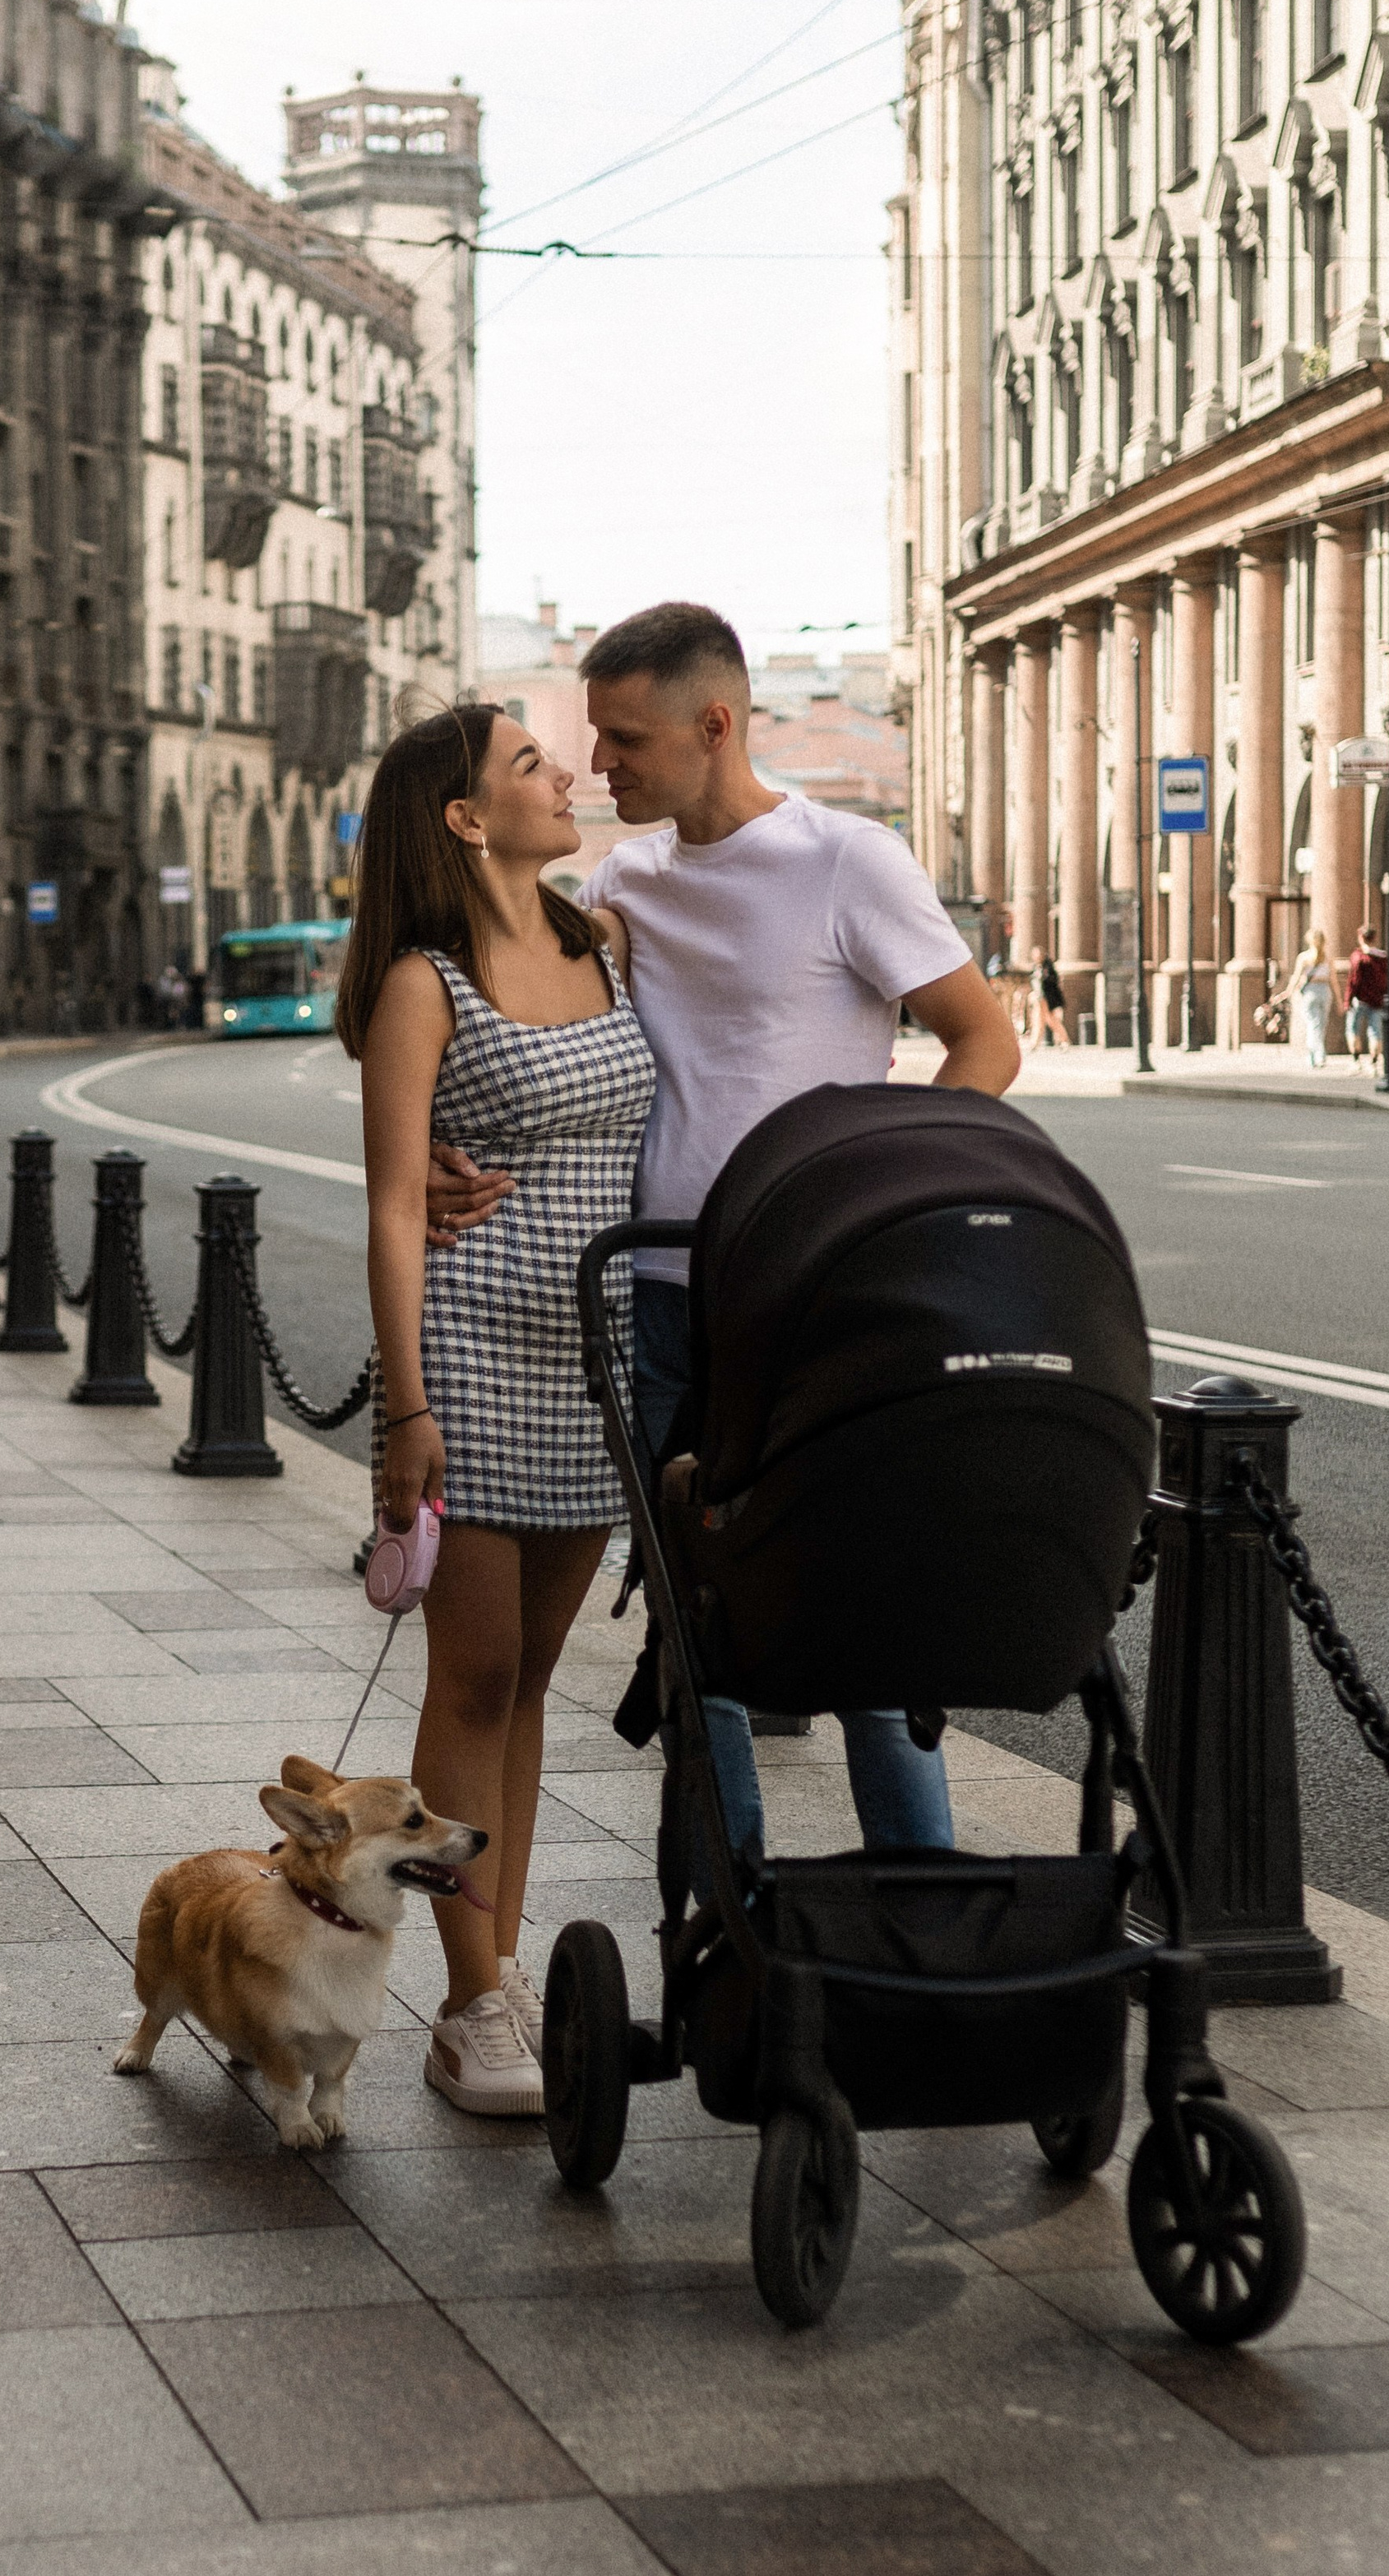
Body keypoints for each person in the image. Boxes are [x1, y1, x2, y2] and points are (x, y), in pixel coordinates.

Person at [430, 600, 1018, 1873]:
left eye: (627, 738)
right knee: (697, 1620)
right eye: (592, 737)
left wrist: (875, 1199)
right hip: (651, 1295)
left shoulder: (847, 862)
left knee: (855, 1599)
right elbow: (488, 1004)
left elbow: (986, 1040)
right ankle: (728, 1909)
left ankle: (919, 1894)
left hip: (811, 1299)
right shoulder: (623, 880)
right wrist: (425, 1143)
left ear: (715, 724)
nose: (602, 765)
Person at [344, 702, 655, 2116]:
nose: (568, 772)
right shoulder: (426, 982)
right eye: (534, 763)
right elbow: (400, 1207)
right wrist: (405, 1410)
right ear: (467, 818)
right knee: (470, 1682)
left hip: (597, 1361)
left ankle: (502, 1971)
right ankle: (472, 2004)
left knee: (532, 1683)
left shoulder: (604, 943)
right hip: (471, 1353)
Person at [1277, 927, 1336, 1069]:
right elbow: (1333, 980)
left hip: (1310, 992)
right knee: (1320, 1025)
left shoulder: (1304, 957)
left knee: (1313, 1024)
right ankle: (1319, 1055)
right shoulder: (1328, 958)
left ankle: (1314, 1055)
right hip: (1325, 991)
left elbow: (1297, 977)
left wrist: (1287, 992)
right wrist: (1339, 999)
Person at [1345, 924, 1389, 1072]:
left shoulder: (1359, 956)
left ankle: (1356, 1061)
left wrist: (1348, 999)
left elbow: (1354, 980)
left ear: (1361, 938)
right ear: (1374, 938)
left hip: (1359, 1000)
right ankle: (1374, 1063)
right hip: (1377, 1000)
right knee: (1375, 1032)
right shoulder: (1383, 957)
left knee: (1352, 1030)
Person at [1029, 946, 1071, 1049]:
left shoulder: (1048, 967)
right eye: (1035, 955)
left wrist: (1043, 977)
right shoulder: (1035, 967)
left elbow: (1052, 981)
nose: (1036, 957)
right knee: (1039, 1020)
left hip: (1047, 998)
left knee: (1051, 1020)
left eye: (1038, 955)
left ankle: (1064, 1040)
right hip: (1039, 998)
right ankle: (1034, 1043)